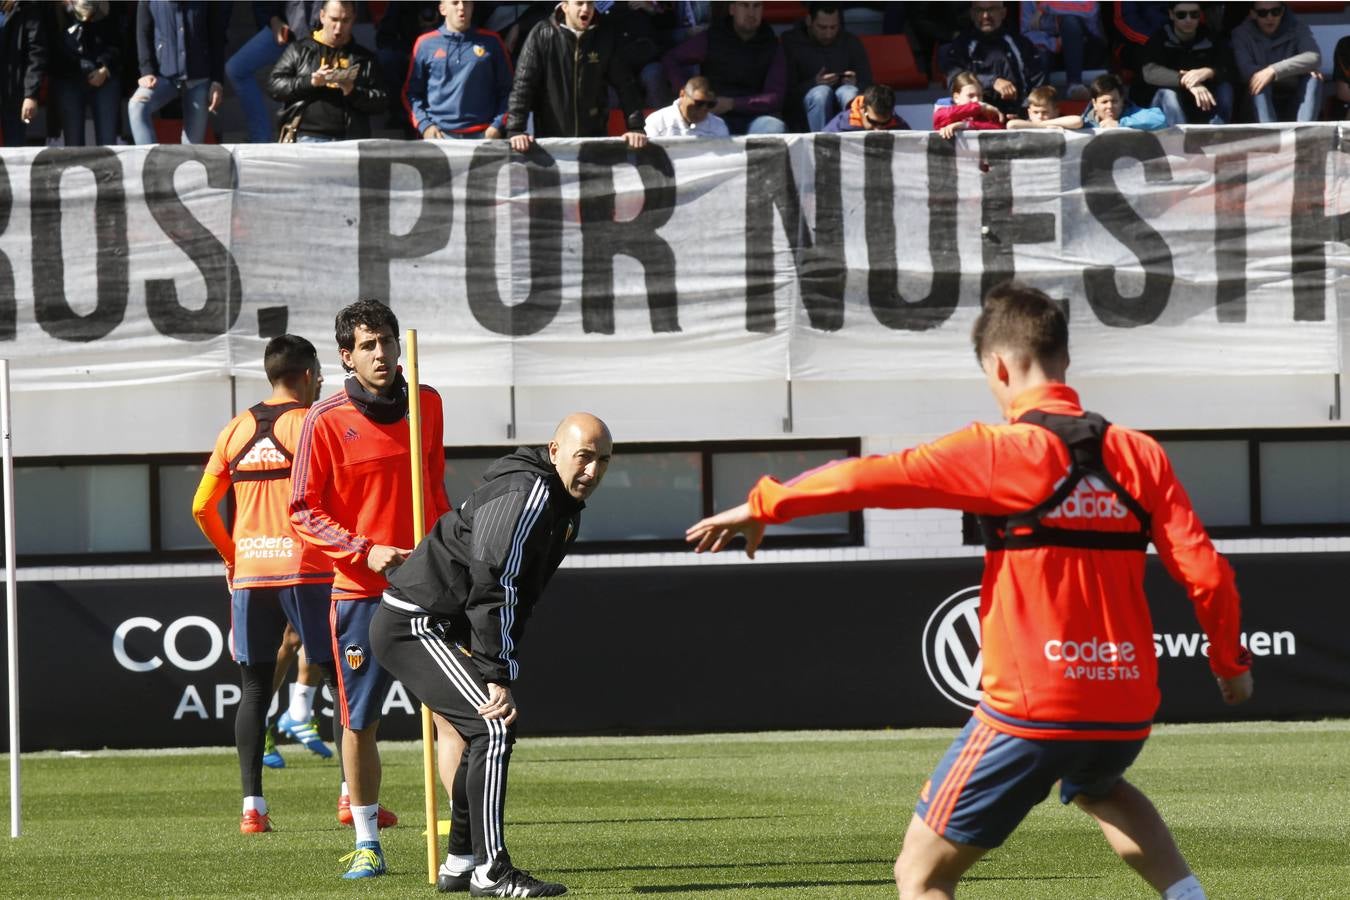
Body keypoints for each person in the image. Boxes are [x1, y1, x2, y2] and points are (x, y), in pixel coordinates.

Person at [686, 282, 1254, 900]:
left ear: (1000, 366)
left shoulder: (1001, 451)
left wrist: (765, 503)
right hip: (1125, 704)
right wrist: (1229, 664)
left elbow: (870, 477)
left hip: (1032, 709)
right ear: (1064, 360)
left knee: (921, 875)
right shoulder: (1139, 454)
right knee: (1100, 787)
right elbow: (1208, 574)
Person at [371, 413, 614, 898]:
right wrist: (495, 672)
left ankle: (461, 863)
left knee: (481, 730)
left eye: (603, 461)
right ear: (555, 450)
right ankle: (492, 871)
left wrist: (492, 660)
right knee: (494, 724)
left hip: (437, 622)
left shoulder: (562, 503)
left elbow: (520, 593)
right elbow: (494, 582)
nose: (592, 470)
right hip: (414, 622)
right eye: (584, 456)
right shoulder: (530, 493)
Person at [290, 298, 453, 879]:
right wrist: (366, 550)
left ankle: (469, 841)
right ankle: (366, 840)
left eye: (386, 340)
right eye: (368, 345)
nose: (382, 352)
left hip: (430, 588)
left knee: (456, 715)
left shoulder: (427, 404)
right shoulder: (324, 420)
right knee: (360, 720)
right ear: (346, 356)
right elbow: (303, 511)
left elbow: (435, 488)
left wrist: (449, 558)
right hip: (360, 591)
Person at [191, 334, 336, 835]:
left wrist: (235, 557)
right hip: (307, 570)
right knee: (339, 680)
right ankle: (350, 800)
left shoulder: (234, 429)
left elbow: (201, 507)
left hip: (251, 575)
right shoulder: (311, 424)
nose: (321, 382)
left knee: (253, 690)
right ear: (306, 375)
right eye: (318, 374)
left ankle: (252, 808)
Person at [506, 0, 648, 152]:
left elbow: (625, 84)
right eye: (579, 3)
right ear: (564, 6)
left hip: (594, 139)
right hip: (550, 140)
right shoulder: (542, 33)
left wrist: (636, 127)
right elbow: (523, 84)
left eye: (590, 3)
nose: (586, 9)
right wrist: (516, 129)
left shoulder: (605, 36)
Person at [267, 0, 387, 142]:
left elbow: (381, 101)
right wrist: (310, 81)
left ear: (354, 19)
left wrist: (352, 91)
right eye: (334, 19)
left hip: (349, 140)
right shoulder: (300, 49)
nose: (338, 28)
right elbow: (274, 86)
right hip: (305, 137)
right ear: (322, 16)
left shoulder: (364, 58)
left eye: (345, 20)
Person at [661, 0, 788, 135]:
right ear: (732, 9)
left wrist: (732, 104)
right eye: (744, 5)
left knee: (774, 127)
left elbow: (775, 97)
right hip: (712, 116)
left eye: (757, 6)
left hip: (755, 117)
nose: (751, 13)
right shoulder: (712, 38)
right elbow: (671, 59)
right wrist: (686, 93)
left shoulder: (773, 46)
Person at [405, 0, 512, 140]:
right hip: (439, 136)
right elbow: (411, 93)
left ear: (472, 7)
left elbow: (510, 90)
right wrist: (425, 126)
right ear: (443, 9)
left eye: (467, 2)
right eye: (455, 3)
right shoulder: (425, 43)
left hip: (484, 135)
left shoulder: (492, 41)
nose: (462, 7)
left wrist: (497, 126)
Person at [128, 0, 230, 145]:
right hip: (163, 76)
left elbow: (217, 38)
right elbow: (143, 33)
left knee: (192, 150)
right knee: (136, 106)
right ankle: (150, 164)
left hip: (199, 78)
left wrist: (217, 81)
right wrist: (146, 71)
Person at [224, 1, 323, 144]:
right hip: (285, 29)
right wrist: (273, 19)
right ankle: (260, 138)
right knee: (236, 69)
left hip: (317, 36)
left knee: (305, 82)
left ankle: (301, 138)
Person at [1134, 3, 1235, 127]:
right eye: (1181, 15)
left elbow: (1229, 66)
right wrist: (1185, 81)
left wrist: (1210, 71)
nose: (1188, 20)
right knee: (1168, 94)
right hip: (1166, 108)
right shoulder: (1159, 38)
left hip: (1202, 102)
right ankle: (1179, 142)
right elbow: (1150, 71)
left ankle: (1217, 135)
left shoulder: (1211, 37)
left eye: (1194, 14)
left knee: (1225, 89)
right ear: (1171, 15)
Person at [938, 1, 1046, 118]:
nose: (986, 16)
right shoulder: (960, 46)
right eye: (980, 10)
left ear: (1003, 13)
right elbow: (955, 81)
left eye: (992, 9)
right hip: (976, 120)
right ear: (972, 14)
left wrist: (1023, 112)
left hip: (1018, 119)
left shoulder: (1021, 44)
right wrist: (991, 82)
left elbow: (1039, 85)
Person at [780, 2, 871, 132]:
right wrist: (814, 83)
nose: (828, 34)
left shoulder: (851, 42)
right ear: (809, 20)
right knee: (821, 93)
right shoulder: (791, 42)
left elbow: (869, 85)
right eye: (822, 28)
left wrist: (856, 83)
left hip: (842, 99)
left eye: (833, 27)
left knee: (850, 92)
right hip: (804, 111)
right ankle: (821, 147)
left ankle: (853, 146)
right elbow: (785, 93)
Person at [46, 0, 122, 147]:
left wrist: (105, 68)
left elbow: (120, 40)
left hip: (104, 77)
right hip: (68, 79)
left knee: (108, 144)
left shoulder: (109, 6)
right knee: (73, 145)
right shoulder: (54, 11)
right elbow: (49, 49)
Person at [1230, 1, 1321, 123]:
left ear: (1282, 11)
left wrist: (1273, 71)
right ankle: (1269, 135)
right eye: (1262, 13)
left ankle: (1304, 132)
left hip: (1293, 97)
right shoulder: (1241, 33)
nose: (1270, 17)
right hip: (1257, 102)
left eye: (1275, 11)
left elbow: (1313, 56)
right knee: (1259, 80)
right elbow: (1246, 70)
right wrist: (1296, 70)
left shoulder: (1297, 27)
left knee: (1313, 79)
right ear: (1253, 14)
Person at [1019, 2, 1107, 101]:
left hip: (1085, 47)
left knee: (1070, 21)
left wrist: (1044, 7)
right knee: (1039, 54)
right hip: (1050, 48)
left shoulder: (1044, 6)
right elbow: (1026, 32)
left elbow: (1088, 9)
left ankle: (1075, 86)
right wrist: (1053, 43)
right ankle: (1041, 100)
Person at [0, 0, 46, 147]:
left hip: (14, 95)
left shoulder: (27, 6)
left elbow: (36, 53)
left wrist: (30, 95)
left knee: (14, 152)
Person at [643, 74, 729, 138]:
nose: (703, 110)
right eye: (698, 103)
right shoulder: (657, 121)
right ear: (682, 94)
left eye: (710, 105)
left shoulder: (718, 126)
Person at [933, 70, 1004, 139]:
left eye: (979, 95)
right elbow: (939, 118)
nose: (976, 100)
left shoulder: (986, 113)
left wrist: (965, 125)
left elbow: (998, 128)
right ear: (956, 98)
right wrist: (978, 107)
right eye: (970, 96)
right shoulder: (947, 110)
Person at [1082, 72, 1166, 130]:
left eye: (1114, 101)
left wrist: (1121, 124)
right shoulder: (1085, 123)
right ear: (1094, 103)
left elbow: (1160, 120)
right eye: (1104, 102)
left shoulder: (1132, 114)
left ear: (1122, 100)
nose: (1110, 106)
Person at [822, 83, 911, 132]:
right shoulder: (838, 127)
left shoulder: (900, 126)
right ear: (862, 109)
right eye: (873, 121)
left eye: (885, 123)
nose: (878, 130)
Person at [1005, 84, 1086, 129]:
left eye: (1045, 112)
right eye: (1035, 112)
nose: (1040, 116)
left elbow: (1078, 121)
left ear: (1056, 111)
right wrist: (1041, 126)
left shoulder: (1062, 121)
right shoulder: (1027, 124)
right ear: (1029, 112)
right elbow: (1011, 124)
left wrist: (1045, 124)